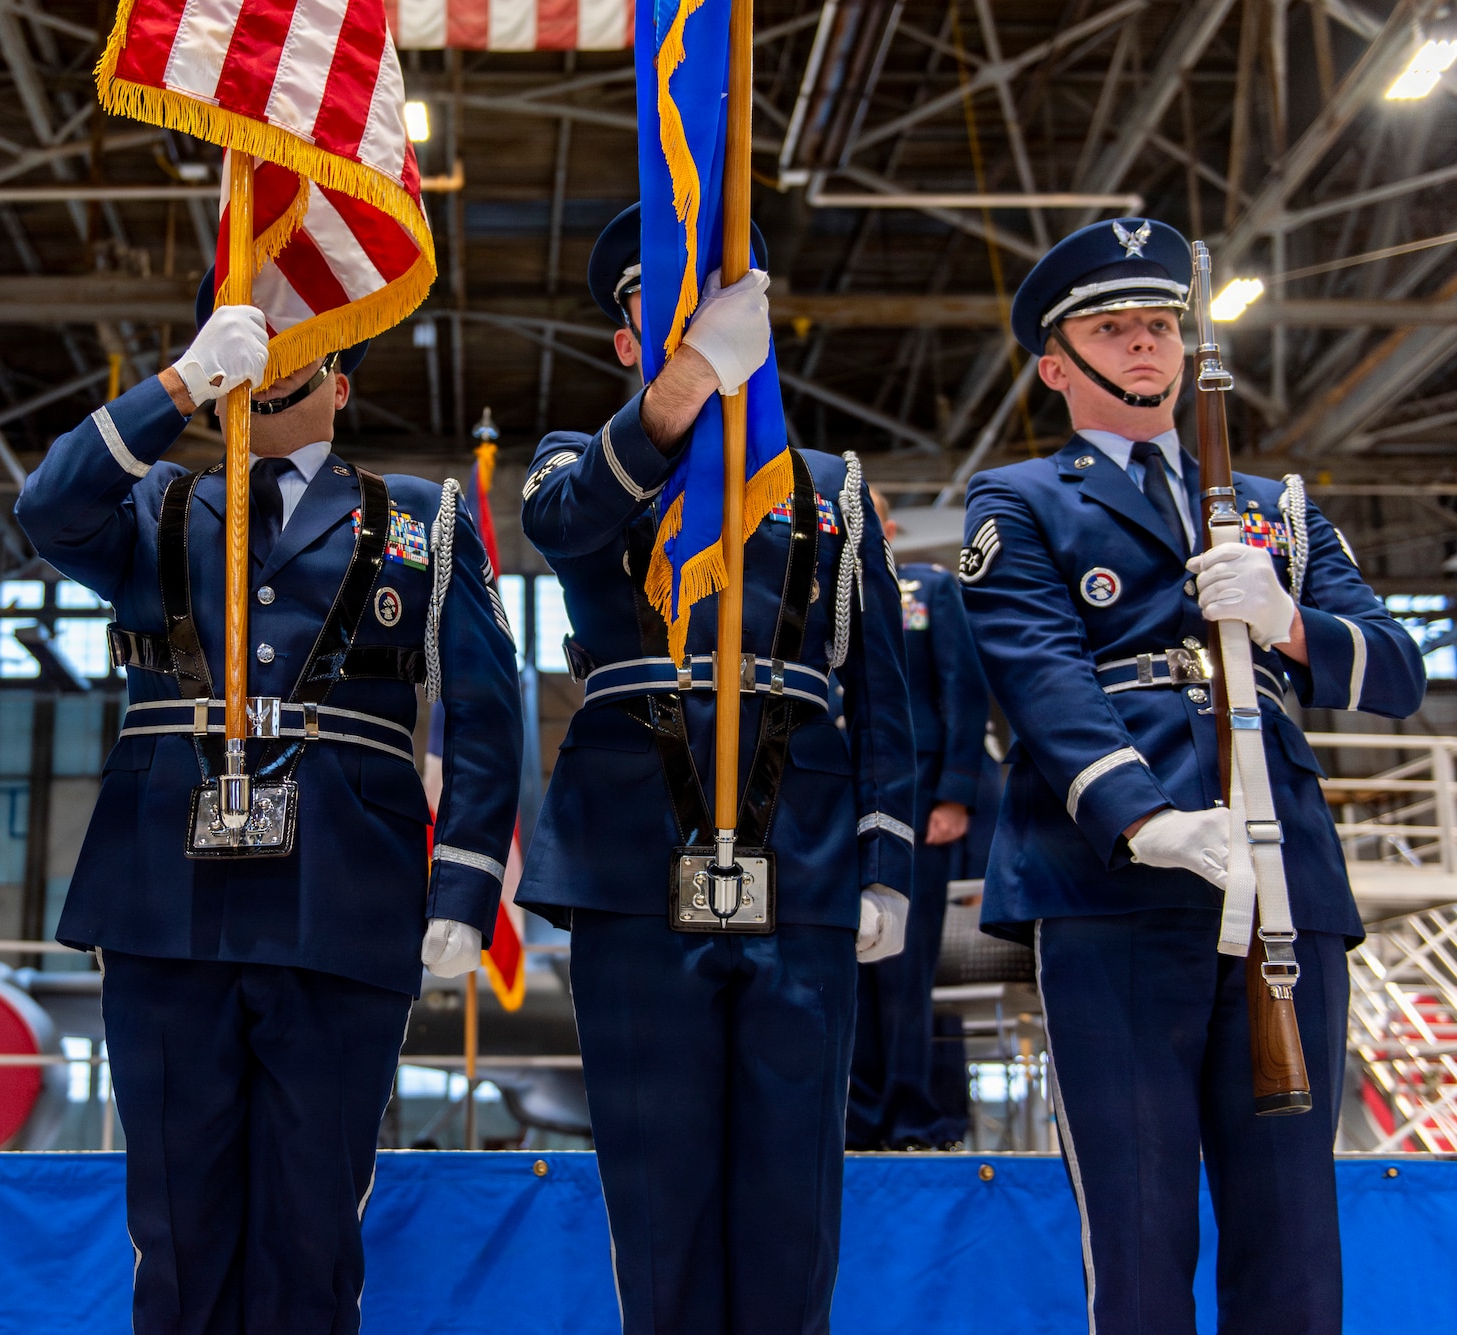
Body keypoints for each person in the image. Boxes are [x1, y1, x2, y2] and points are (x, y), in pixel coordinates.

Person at [14, 280, 521, 1334]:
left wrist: (466, 884)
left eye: (307, 340)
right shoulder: (155, 503)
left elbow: (481, 704)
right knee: (176, 1225)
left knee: (311, 1231)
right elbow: (45, 507)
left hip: (340, 902)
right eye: (256, 333)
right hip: (163, 901)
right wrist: (177, 383)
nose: (275, 353)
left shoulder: (421, 518)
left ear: (340, 382)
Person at [958, 217, 1426, 1333]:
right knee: (1134, 1227)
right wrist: (1146, 821)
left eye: (1159, 326)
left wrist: (1289, 623)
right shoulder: (1019, 500)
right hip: (1112, 886)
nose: (1143, 348)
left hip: (1282, 883)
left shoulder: (1277, 508)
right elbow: (1040, 678)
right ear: (1053, 363)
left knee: (1292, 1237)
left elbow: (1399, 672)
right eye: (1110, 329)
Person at [516, 204, 916, 1335]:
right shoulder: (575, 463)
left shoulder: (830, 486)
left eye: (713, 300)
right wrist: (689, 384)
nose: (690, 320)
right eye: (665, 306)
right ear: (625, 340)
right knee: (658, 1190)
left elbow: (881, 686)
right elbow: (567, 525)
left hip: (808, 853)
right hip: (631, 856)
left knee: (795, 1195)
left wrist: (885, 861)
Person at [847, 487, 989, 1151]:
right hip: (839, 800)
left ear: (889, 524)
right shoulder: (818, 595)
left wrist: (955, 792)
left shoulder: (926, 588)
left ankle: (915, 1112)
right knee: (848, 960)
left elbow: (964, 687)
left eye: (864, 511)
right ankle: (858, 1114)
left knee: (909, 959)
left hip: (918, 798)